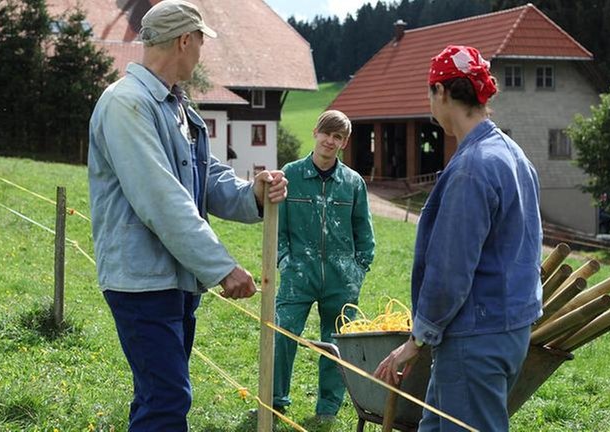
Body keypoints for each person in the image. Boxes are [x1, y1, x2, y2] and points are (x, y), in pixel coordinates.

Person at [87, 1, 287, 430]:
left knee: (158, 396)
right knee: (167, 398)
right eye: (200, 40)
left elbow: (208, 179)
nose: (202, 51)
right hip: (141, 280)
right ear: (183, 40)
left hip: (174, 278)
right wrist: (221, 266)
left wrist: (251, 192)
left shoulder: (177, 108)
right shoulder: (127, 104)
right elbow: (161, 199)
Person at [374, 45, 543, 431]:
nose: (430, 102)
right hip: (507, 328)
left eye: (429, 92)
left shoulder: (471, 168)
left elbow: (451, 270)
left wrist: (417, 339)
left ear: (443, 93)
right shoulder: (514, 156)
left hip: (476, 335)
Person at [273, 110, 375, 421]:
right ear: (316, 132)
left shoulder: (353, 183)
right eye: (326, 133)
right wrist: (285, 261)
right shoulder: (290, 174)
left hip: (341, 278)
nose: (330, 141)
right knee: (283, 334)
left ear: (344, 142)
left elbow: (364, 232)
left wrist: (357, 270)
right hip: (298, 276)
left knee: (336, 344)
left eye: (337, 137)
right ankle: (275, 401)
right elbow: (279, 229)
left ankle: (327, 409)